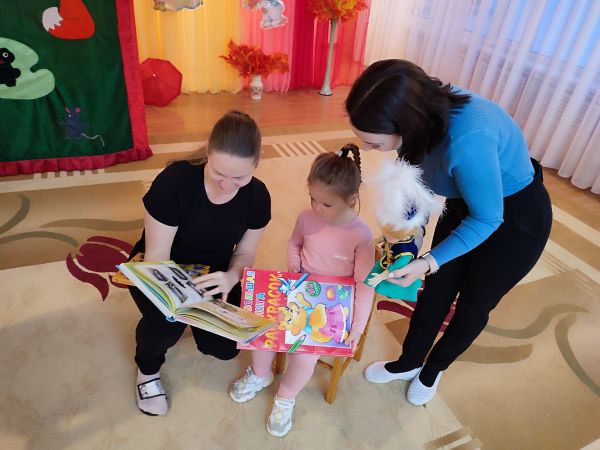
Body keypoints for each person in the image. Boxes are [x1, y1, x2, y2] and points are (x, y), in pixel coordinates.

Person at [345, 59, 552, 405]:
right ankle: (409, 362)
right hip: (463, 204)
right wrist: (408, 243)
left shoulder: (467, 140)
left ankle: (433, 370)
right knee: (434, 293)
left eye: (372, 143)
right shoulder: (420, 109)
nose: (367, 149)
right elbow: (417, 187)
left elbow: (487, 219)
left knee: (473, 306)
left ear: (405, 124)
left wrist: (428, 261)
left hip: (515, 221)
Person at [129, 110, 271, 416]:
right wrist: (184, 302)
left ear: (257, 163)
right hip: (161, 270)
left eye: (240, 178)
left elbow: (245, 253)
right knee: (166, 325)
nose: (227, 185)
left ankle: (190, 322)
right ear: (208, 152)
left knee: (225, 348)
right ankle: (147, 370)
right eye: (218, 173)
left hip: (215, 274)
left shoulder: (258, 196)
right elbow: (157, 258)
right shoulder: (175, 182)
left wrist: (232, 277)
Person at [229, 144, 374, 437]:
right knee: (259, 326)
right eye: (312, 199)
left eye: (326, 204)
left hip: (332, 305)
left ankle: (286, 396)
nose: (317, 208)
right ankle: (260, 374)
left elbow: (364, 286)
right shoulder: (306, 217)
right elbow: (294, 243)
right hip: (297, 286)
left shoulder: (361, 235)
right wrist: (294, 267)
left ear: (351, 199)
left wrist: (357, 328)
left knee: (304, 355)